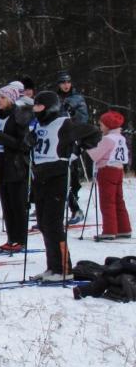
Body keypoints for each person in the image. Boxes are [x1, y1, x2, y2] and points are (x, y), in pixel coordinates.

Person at [28, 92, 100, 280]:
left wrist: (76, 150)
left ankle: (63, 269)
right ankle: (52, 267)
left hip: (57, 175)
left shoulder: (63, 123)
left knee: (53, 224)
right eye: (35, 106)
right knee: (43, 223)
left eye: (40, 106)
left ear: (50, 108)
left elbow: (93, 132)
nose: (36, 110)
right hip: (39, 176)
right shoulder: (38, 125)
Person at [0, 84, 33, 254]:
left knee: (17, 204)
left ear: (12, 99)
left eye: (3, 98)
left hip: (15, 165)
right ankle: (11, 238)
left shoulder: (19, 116)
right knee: (6, 204)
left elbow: (23, 144)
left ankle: (21, 239)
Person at [86, 111, 131, 242]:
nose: (100, 128)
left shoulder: (108, 139)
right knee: (118, 200)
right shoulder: (120, 138)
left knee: (107, 201)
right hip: (118, 170)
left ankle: (109, 231)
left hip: (107, 170)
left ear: (108, 125)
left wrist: (87, 146)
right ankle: (124, 228)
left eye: (101, 125)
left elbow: (96, 155)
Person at [57, 71, 90, 225]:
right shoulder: (55, 98)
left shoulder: (77, 98)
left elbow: (83, 118)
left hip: (72, 139)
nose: (66, 85)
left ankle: (75, 206)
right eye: (63, 82)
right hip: (58, 139)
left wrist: (73, 114)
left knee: (72, 173)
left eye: (68, 82)